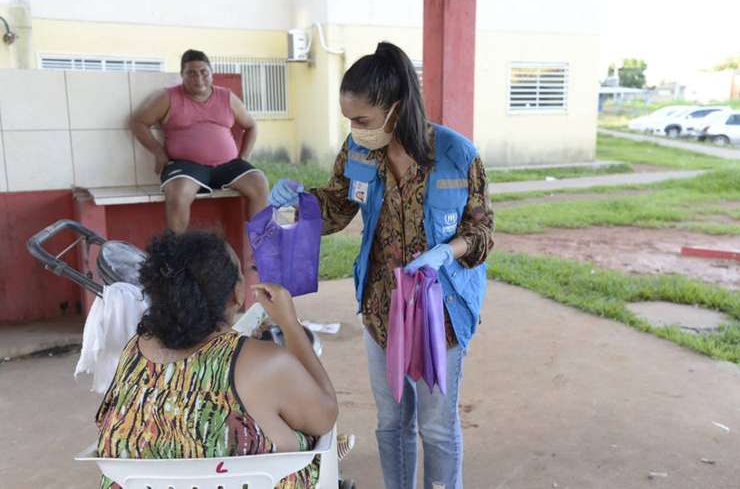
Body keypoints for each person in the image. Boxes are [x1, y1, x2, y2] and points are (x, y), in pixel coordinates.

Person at [270, 41, 494, 489]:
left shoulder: (457, 155)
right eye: (349, 119)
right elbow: (337, 206)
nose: (355, 129)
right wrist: (296, 203)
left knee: (435, 424)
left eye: (362, 120)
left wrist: (445, 252)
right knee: (390, 421)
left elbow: (482, 235)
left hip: (440, 313)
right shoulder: (360, 152)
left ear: (396, 108)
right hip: (380, 308)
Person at [95, 230, 337, 489]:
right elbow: (325, 418)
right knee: (298, 437)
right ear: (236, 294)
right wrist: (289, 323)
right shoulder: (267, 362)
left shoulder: (134, 350)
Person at [131, 49, 269, 233]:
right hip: (186, 167)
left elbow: (251, 125)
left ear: (211, 73)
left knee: (259, 183)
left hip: (228, 165)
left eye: (204, 72)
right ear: (182, 75)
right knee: (178, 193)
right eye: (191, 73)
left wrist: (243, 157)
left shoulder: (226, 97)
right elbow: (138, 123)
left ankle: (260, 254)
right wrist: (158, 152)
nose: (199, 78)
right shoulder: (168, 97)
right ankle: (177, 255)